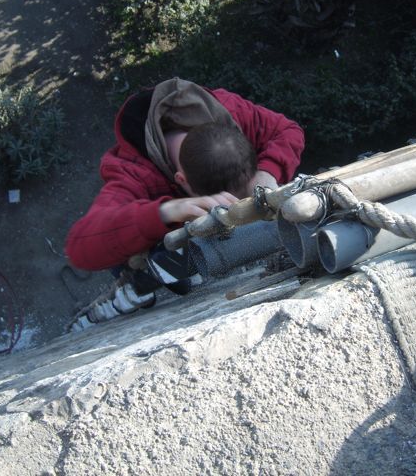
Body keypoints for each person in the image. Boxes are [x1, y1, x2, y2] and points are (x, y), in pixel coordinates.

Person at [65, 77, 304, 328]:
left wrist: (267, 172)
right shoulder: (133, 173)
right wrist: (165, 212)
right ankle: (135, 288)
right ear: (181, 181)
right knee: (152, 261)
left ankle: (166, 273)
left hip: (190, 221)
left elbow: (288, 130)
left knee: (187, 269)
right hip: (155, 233)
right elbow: (79, 248)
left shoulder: (230, 113)